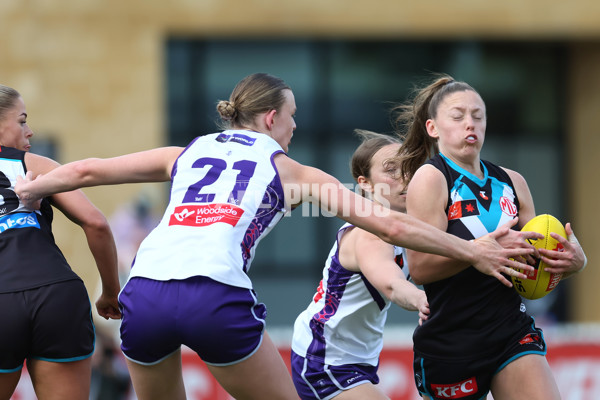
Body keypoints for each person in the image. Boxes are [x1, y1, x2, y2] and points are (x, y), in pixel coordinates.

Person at [15, 73, 535, 400]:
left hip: (143, 294)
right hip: (213, 294)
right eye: (291, 119)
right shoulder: (292, 171)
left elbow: (85, 170)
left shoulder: (185, 153)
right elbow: (394, 225)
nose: (293, 130)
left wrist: (26, 191)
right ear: (271, 118)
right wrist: (473, 248)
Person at [393, 74, 588, 400]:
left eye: (478, 116)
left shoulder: (513, 182)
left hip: (509, 328)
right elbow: (421, 267)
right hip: (452, 342)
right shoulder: (431, 179)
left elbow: (534, 269)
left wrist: (571, 262)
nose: (470, 123)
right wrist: (479, 251)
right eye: (457, 116)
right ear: (433, 128)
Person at [0, 84, 121, 400]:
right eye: (22, 120)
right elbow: (95, 223)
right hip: (58, 295)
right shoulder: (34, 165)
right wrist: (110, 292)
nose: (30, 131)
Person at [291, 130, 429, 400]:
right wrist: (424, 300)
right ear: (365, 184)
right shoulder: (368, 234)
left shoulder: (410, 227)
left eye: (409, 167)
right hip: (325, 359)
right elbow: (392, 284)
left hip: (356, 359)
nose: (404, 177)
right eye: (391, 170)